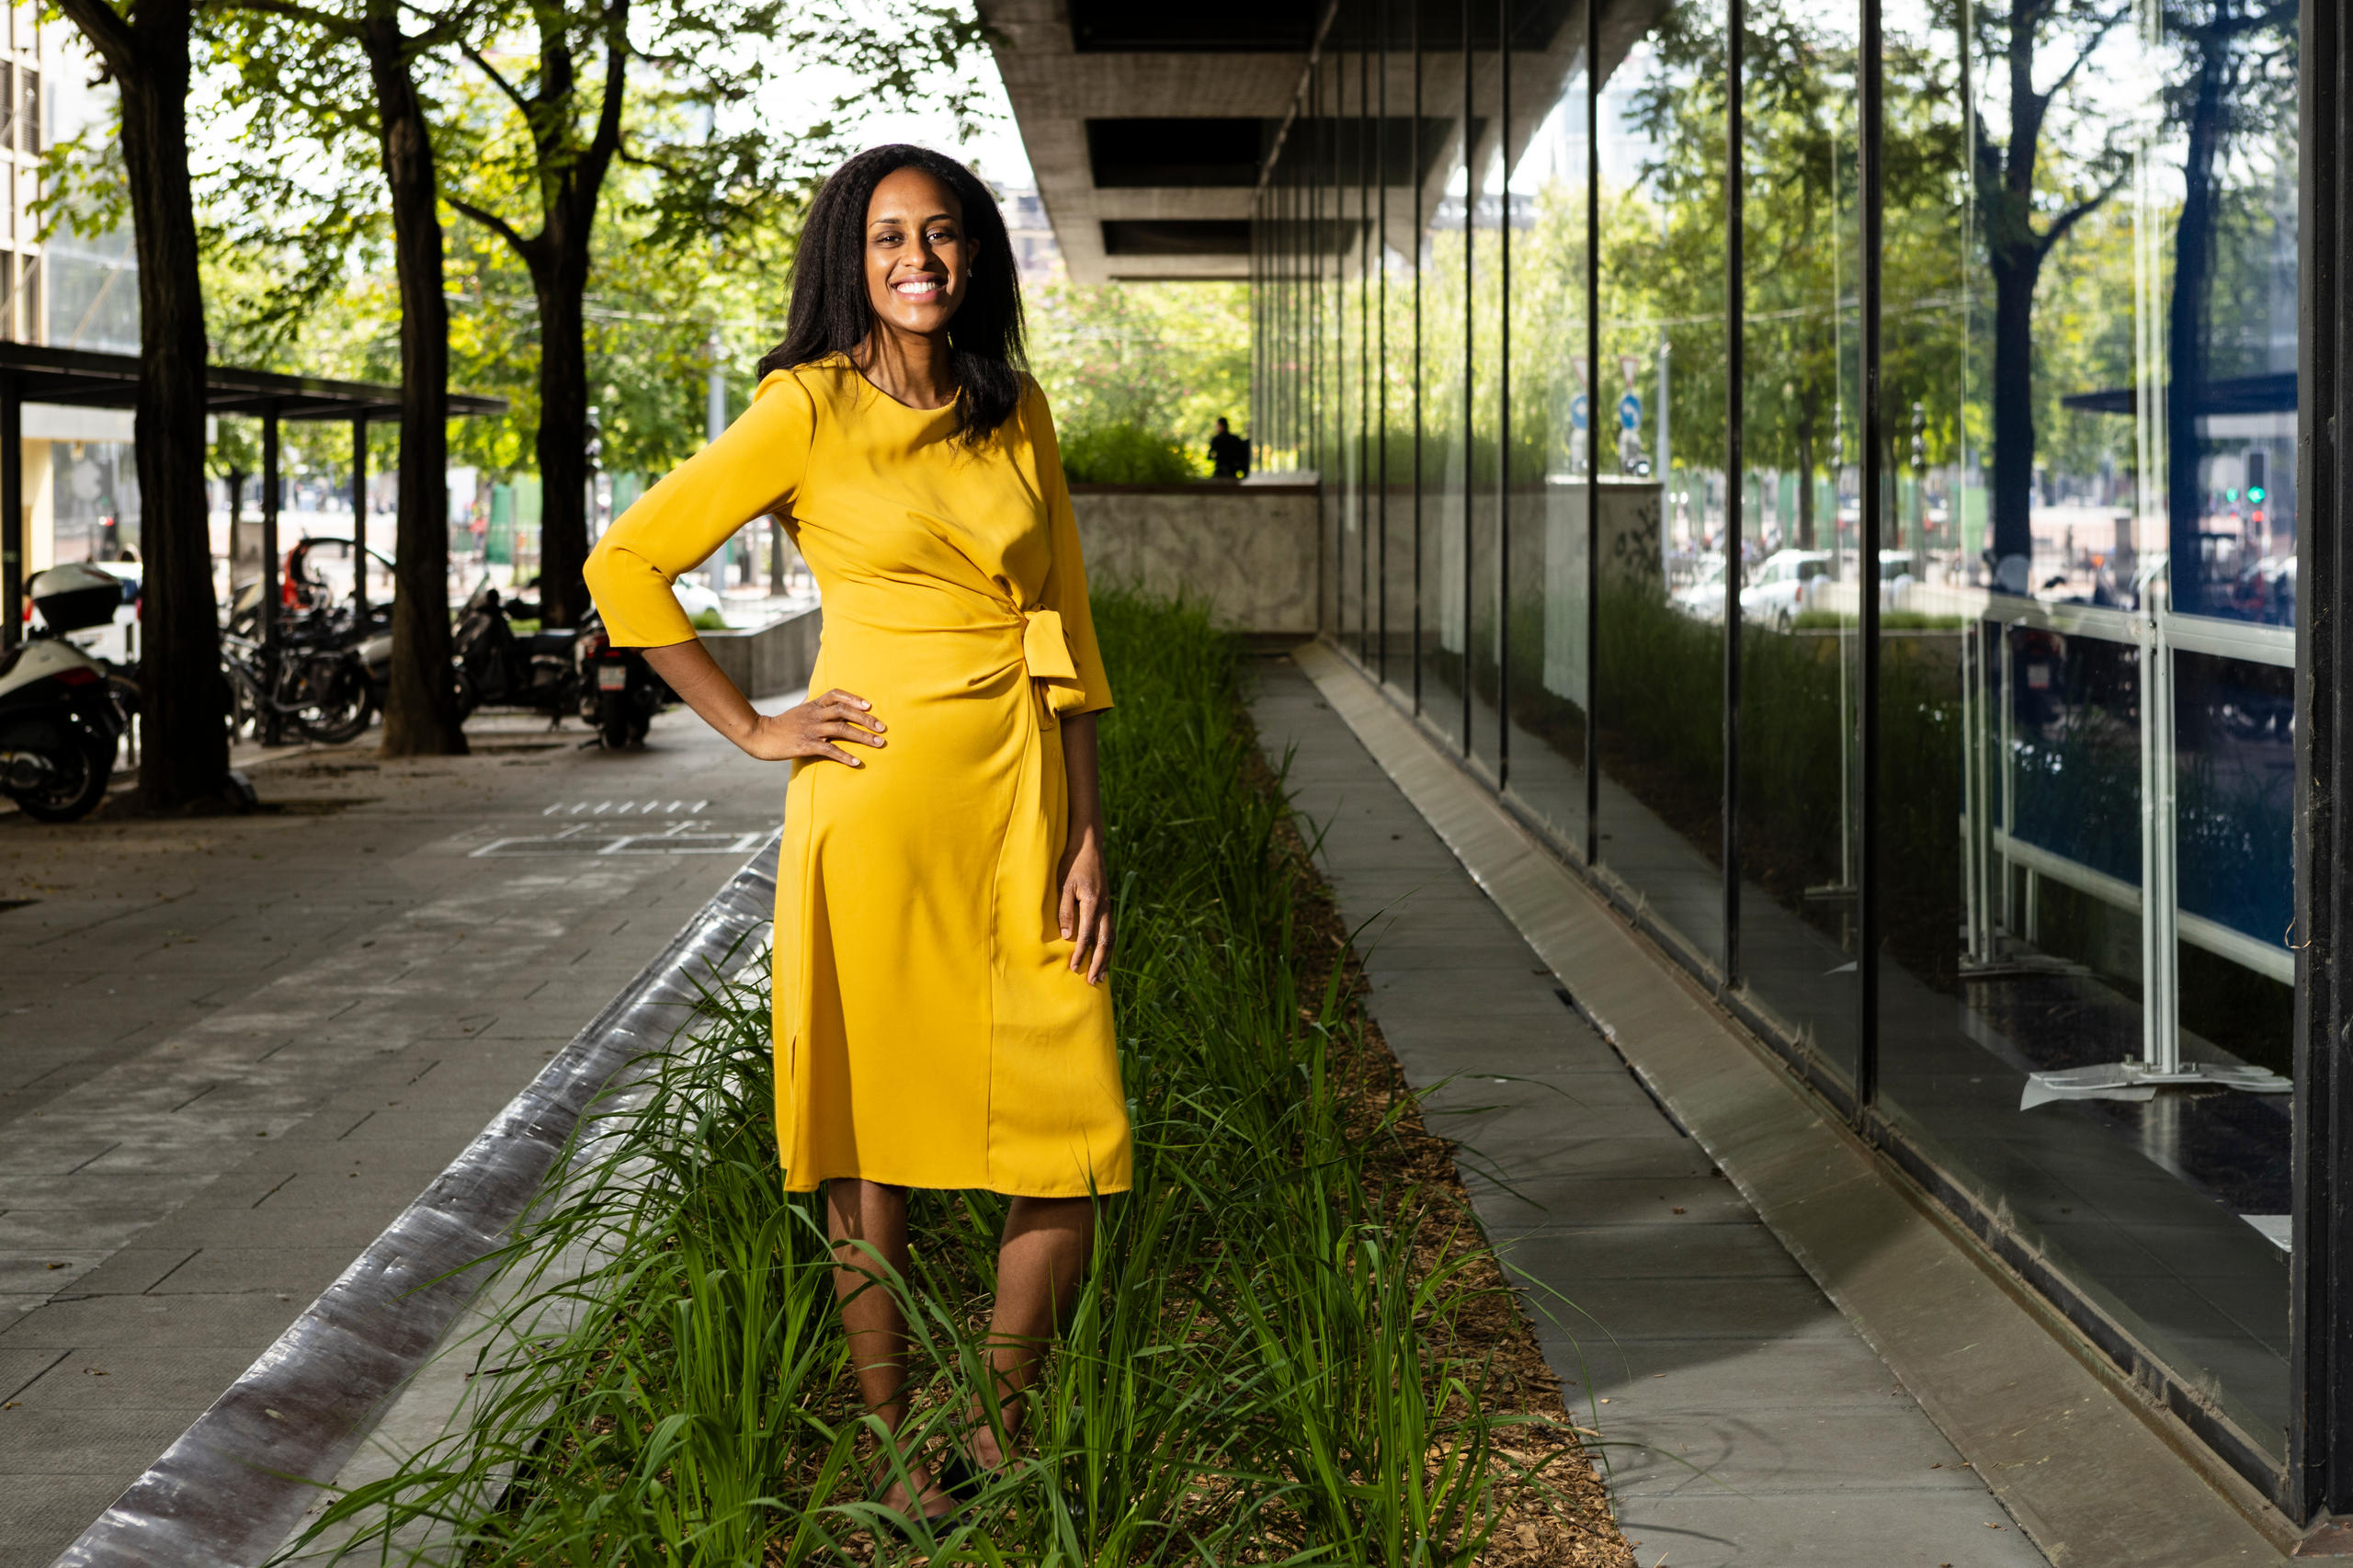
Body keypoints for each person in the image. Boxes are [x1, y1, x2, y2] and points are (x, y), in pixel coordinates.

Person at [582, 144, 1128, 1535]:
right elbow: (626, 563)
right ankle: (897, 1444)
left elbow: (1063, 627)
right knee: (868, 1137)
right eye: (891, 236)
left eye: (943, 234)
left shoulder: (1018, 410)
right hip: (873, 810)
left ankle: (999, 1423)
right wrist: (756, 728)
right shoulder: (805, 408)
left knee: (1071, 1128)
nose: (920, 259)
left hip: (1021, 804)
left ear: (976, 256)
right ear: (853, 254)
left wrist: (1087, 832)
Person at [1208, 415, 1250, 479]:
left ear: (1221, 426)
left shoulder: (1216, 439)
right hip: (1232, 470)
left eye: (1217, 426)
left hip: (1221, 470)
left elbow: (1210, 456)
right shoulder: (1235, 439)